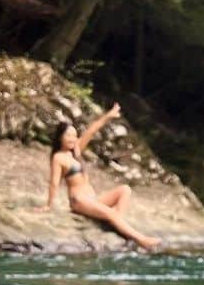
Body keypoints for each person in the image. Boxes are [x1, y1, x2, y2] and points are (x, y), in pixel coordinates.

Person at [39, 103, 160, 251]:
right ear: (60, 137)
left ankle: (117, 223)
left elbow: (91, 131)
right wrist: (49, 205)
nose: (72, 138)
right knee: (110, 212)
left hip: (92, 199)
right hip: (79, 201)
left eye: (74, 135)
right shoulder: (58, 158)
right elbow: (54, 182)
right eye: (68, 135)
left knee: (125, 190)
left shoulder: (76, 151)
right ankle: (142, 240)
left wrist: (109, 115)